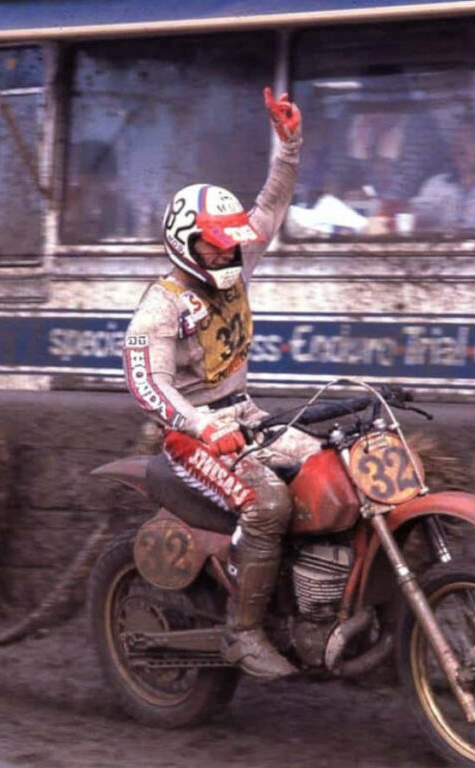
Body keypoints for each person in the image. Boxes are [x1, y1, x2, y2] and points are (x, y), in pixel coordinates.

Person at [122, 88, 313, 680]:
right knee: (266, 503)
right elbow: (147, 387)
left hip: (249, 416)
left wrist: (288, 145)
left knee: (336, 467)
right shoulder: (160, 308)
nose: (229, 248)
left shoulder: (235, 267)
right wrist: (203, 426)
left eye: (231, 240)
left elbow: (270, 208)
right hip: (192, 440)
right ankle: (244, 631)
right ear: (186, 239)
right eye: (215, 241)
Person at [410, 116, 475, 235]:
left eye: (469, 141)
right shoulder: (437, 184)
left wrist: (447, 232)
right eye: (456, 141)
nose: (460, 149)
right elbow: (416, 217)